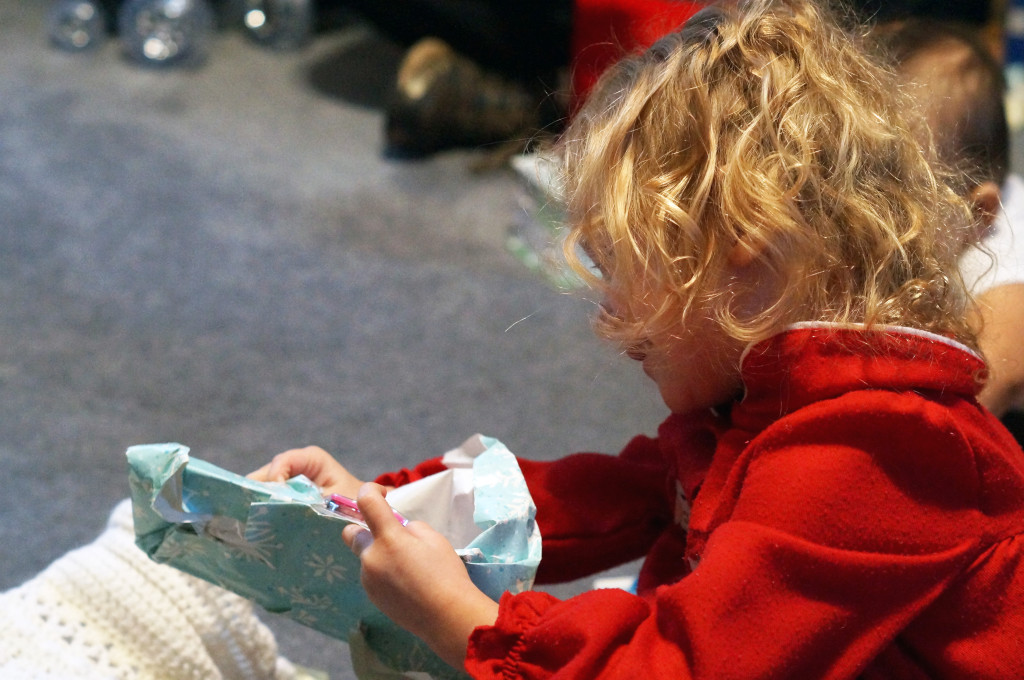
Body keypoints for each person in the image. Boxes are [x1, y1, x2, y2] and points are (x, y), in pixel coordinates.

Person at [252, 1, 1024, 677]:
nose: (605, 310)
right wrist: (389, 506)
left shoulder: (874, 454)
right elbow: (611, 498)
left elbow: (680, 668)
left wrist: (463, 624)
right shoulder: (773, 397)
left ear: (742, 238)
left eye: (619, 263)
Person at [873, 19, 1024, 423]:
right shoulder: (952, 221)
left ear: (976, 212)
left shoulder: (998, 253)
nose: (861, 213)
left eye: (891, 198)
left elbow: (998, 374)